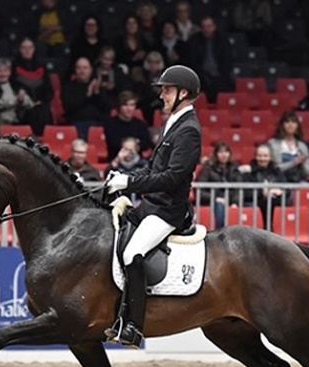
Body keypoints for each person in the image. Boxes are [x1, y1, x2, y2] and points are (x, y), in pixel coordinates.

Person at [103, 64, 202, 348]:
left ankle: (134, 325)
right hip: (151, 205)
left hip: (168, 210)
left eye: (168, 90)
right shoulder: (172, 122)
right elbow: (153, 167)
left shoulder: (189, 130)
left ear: (184, 93)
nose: (162, 96)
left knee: (134, 253)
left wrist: (129, 185)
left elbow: (172, 177)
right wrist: (124, 177)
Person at [231, 143, 283, 228]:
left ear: (270, 157)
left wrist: (281, 191)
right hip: (255, 203)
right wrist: (262, 192)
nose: (262, 159)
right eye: (260, 156)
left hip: (275, 204)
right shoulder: (249, 172)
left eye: (265, 156)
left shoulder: (276, 171)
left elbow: (287, 189)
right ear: (256, 157)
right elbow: (246, 192)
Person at [62, 56, 112, 140]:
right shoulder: (68, 88)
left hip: (98, 123)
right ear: (75, 70)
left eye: (85, 68)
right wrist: (87, 95)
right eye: (79, 68)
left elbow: (107, 107)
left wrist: (97, 94)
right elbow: (69, 108)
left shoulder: (97, 86)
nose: (82, 71)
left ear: (90, 70)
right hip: (78, 123)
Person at [11, 36, 54, 135]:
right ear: (19, 49)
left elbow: (49, 90)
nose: (27, 50)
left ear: (34, 49)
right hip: (22, 105)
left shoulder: (41, 66)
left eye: (30, 47)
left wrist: (41, 101)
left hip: (41, 105)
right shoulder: (14, 66)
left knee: (42, 112)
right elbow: (12, 87)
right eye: (24, 48)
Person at [186, 15, 232, 104]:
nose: (206, 30)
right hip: (202, 77)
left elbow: (227, 60)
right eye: (204, 27)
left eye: (209, 26)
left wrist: (219, 74)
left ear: (214, 27)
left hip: (220, 77)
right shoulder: (194, 40)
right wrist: (205, 75)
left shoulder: (222, 40)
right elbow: (192, 62)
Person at [196, 141, 240, 228]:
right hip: (212, 201)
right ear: (216, 154)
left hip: (230, 199)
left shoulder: (234, 168)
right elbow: (200, 191)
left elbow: (239, 188)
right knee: (220, 206)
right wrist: (215, 198)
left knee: (251, 205)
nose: (224, 155)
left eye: (226, 152)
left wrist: (235, 202)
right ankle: (220, 231)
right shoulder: (207, 169)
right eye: (221, 152)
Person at [0, 57, 34, 127]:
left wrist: (22, 100)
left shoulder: (15, 85)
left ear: (10, 72)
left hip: (17, 122)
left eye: (6, 71)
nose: (3, 74)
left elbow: (30, 103)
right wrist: (15, 100)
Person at [103, 90, 152, 161]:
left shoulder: (140, 124)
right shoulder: (110, 124)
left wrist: (126, 144)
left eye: (132, 105)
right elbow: (114, 143)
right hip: (116, 161)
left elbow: (146, 144)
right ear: (119, 106)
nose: (129, 109)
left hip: (137, 163)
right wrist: (135, 142)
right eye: (125, 105)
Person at [268, 110, 309, 183]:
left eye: (293, 122)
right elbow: (275, 168)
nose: (290, 125)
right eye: (287, 122)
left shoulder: (302, 146)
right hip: (279, 181)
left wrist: (303, 163)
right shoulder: (273, 143)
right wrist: (294, 162)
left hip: (298, 181)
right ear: (282, 125)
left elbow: (307, 172)